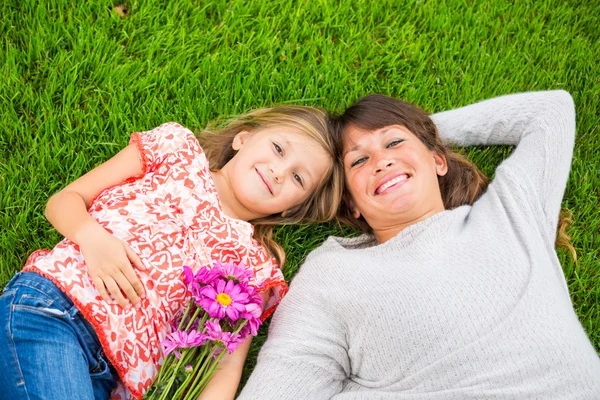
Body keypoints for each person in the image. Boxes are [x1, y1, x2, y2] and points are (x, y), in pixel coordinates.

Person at [238, 91, 600, 399]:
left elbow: (551, 110)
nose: (382, 161)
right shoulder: (332, 275)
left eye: (394, 143)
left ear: (438, 161)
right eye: (359, 161)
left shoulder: (511, 211)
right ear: (352, 205)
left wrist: (424, 131)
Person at [0, 106, 343, 400]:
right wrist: (93, 238)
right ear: (243, 137)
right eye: (279, 149)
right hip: (55, 310)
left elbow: (224, 365)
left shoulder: (254, 268)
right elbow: (63, 201)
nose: (279, 171)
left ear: (293, 209)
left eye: (298, 178)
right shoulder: (176, 150)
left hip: (114, 382)